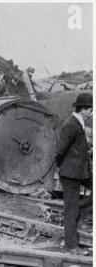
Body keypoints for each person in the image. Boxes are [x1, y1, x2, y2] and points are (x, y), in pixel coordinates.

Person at [56, 93, 93, 255]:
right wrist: (63, 167)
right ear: (84, 109)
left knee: (74, 207)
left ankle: (79, 214)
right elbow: (60, 150)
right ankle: (71, 246)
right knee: (70, 209)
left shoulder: (78, 122)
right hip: (71, 173)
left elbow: (74, 147)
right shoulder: (71, 124)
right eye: (90, 109)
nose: (92, 113)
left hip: (80, 171)